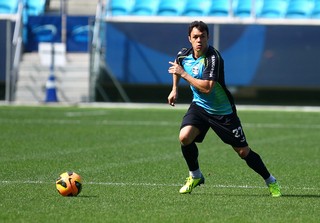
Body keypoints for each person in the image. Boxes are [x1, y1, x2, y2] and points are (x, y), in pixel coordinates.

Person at [167, 21, 281, 197]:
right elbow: (177, 66)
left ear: (208, 37)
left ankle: (271, 181)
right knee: (184, 137)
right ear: (189, 38)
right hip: (200, 107)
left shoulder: (213, 58)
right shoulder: (184, 54)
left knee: (243, 152)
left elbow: (207, 88)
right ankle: (195, 176)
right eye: (195, 37)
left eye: (202, 37)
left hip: (222, 112)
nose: (199, 41)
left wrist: (184, 74)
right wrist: (174, 89)